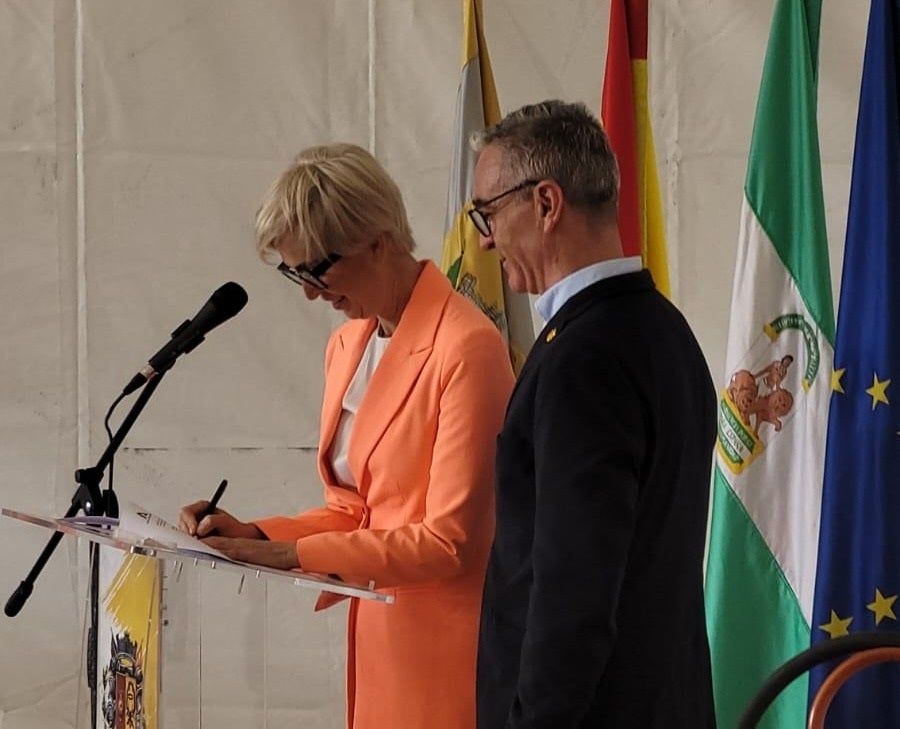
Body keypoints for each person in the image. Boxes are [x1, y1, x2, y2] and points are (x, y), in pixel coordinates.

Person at [179, 143, 515, 729]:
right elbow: (355, 510)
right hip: (379, 633)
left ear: (377, 241)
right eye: (294, 273)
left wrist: (293, 554)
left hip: (445, 644)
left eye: (316, 268)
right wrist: (257, 533)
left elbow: (452, 542)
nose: (309, 291)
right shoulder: (347, 345)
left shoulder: (468, 347)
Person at [470, 101, 717, 728]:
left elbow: (572, 591)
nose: (484, 238)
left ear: (547, 203)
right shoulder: (665, 329)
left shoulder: (582, 358)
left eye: (489, 212)